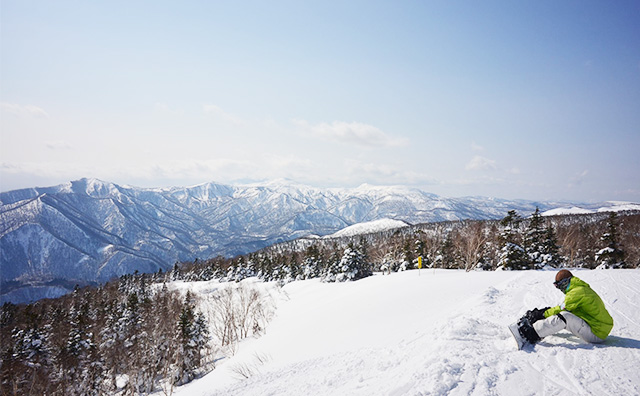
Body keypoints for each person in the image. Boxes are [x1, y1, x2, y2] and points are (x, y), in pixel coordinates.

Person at [516, 269, 614, 346]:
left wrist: (542, 314)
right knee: (564, 314)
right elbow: (564, 307)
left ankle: (532, 334)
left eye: (558, 285)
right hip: (598, 329)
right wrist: (544, 312)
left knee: (564, 317)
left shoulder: (577, 292)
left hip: (596, 333)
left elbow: (563, 309)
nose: (559, 289)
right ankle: (536, 326)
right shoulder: (578, 289)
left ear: (564, 282)